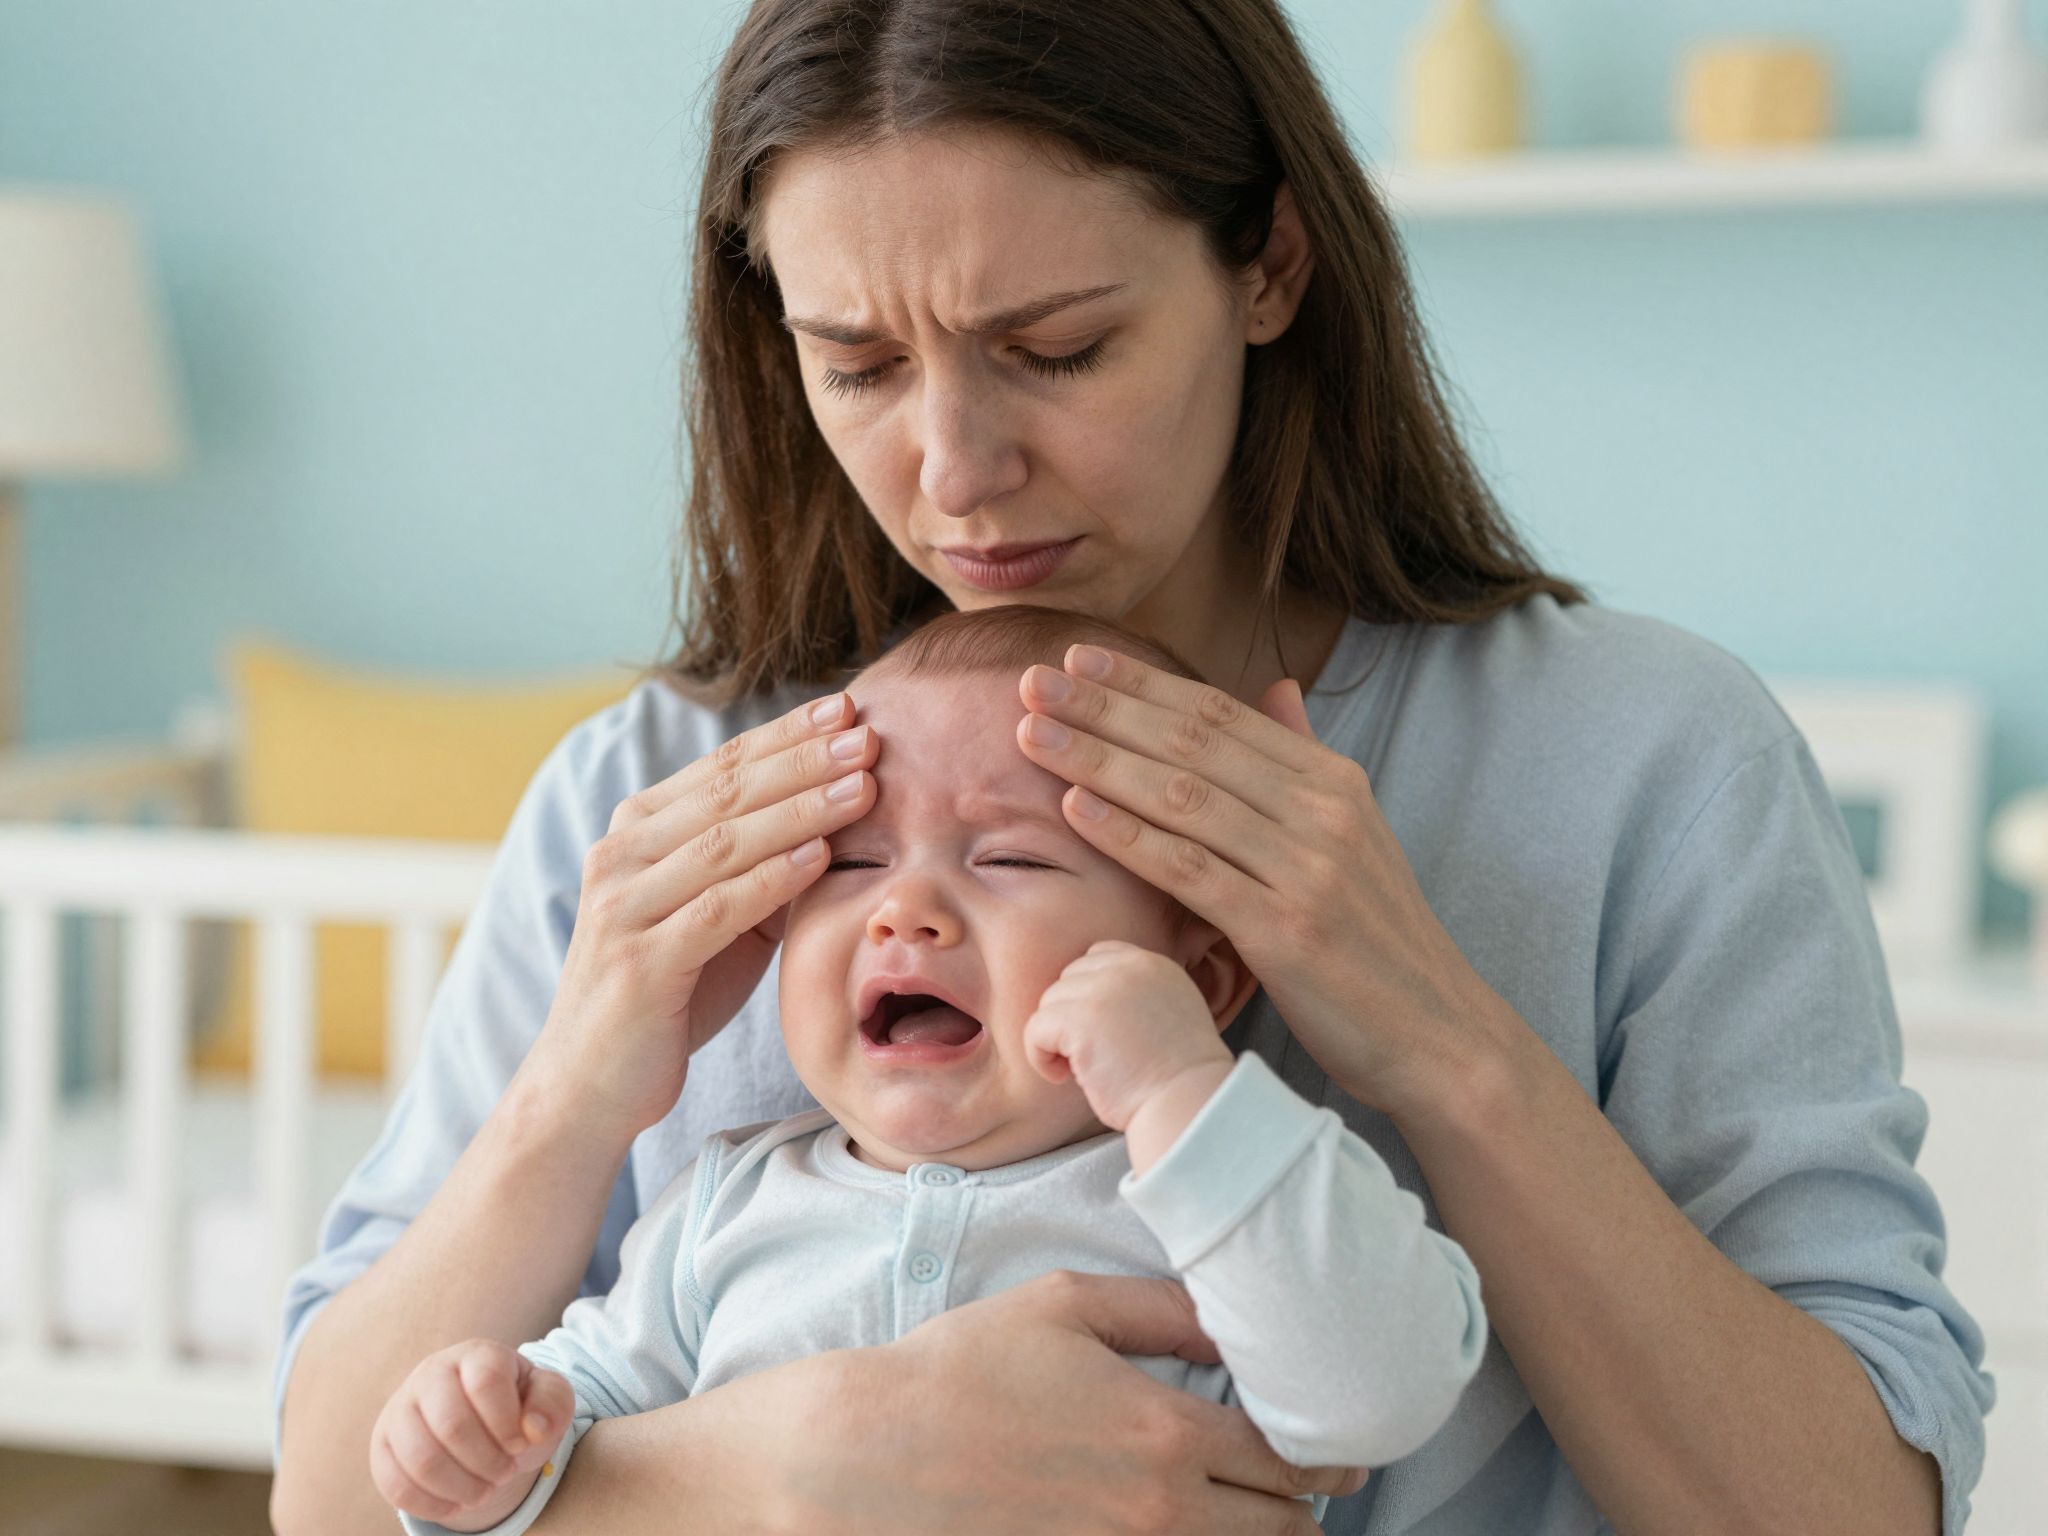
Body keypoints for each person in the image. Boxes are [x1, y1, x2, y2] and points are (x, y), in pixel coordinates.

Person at [269, 2, 1995, 1532]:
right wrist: (768, 1466)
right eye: (855, 364)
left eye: (1057, 348)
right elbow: (334, 1500)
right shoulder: (657, 788)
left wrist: (1446, 1052)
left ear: (1269, 265)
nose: (952, 470)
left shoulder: (1647, 760)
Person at [367, 606, 1490, 1536]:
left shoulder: (1223, 1188)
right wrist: (476, 1442)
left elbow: (1377, 1395)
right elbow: (573, 1442)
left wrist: (1178, 1091)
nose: (905, 909)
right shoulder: (724, 1207)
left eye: (1007, 856)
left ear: (1195, 979)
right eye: (851, 864)